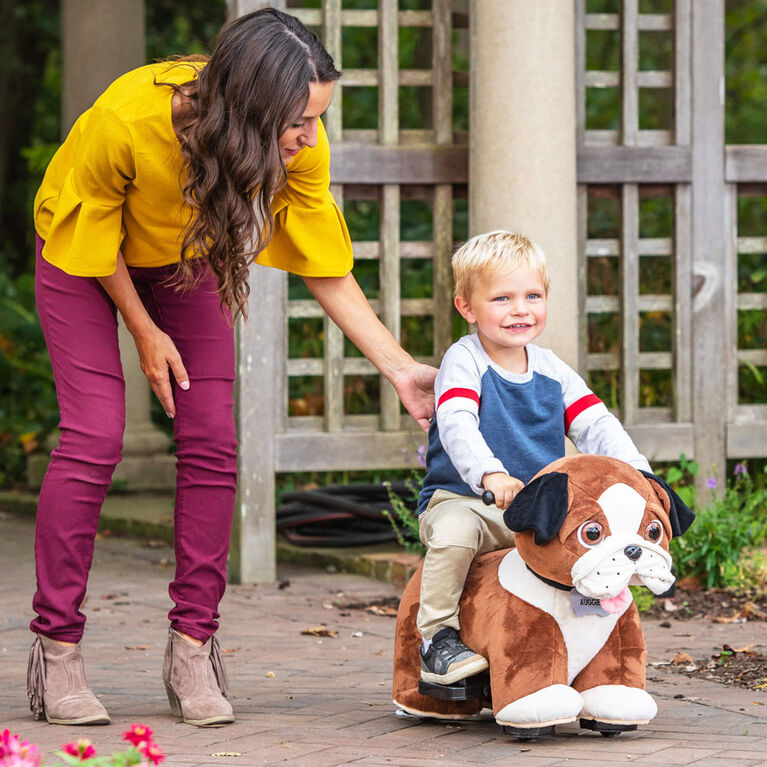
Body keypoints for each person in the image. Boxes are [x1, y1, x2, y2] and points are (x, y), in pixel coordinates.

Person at [28, 8, 435, 728]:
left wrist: (398, 366)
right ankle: (57, 651)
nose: (310, 137)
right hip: (82, 255)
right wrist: (144, 328)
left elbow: (322, 262)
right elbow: (95, 238)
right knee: (95, 436)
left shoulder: (297, 142)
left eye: (316, 120)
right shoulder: (125, 118)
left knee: (212, 438)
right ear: (249, 106)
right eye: (299, 120)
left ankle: (193, 646)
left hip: (183, 262)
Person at [416, 231, 651, 685]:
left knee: (585, 548)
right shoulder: (464, 361)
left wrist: (638, 473)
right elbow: (457, 421)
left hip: (537, 507)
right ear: (466, 307)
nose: (520, 309)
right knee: (455, 533)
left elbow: (596, 425)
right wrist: (491, 474)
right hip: (467, 497)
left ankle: (592, 637)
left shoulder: (551, 369)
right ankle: (436, 638)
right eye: (501, 298)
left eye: (532, 296)